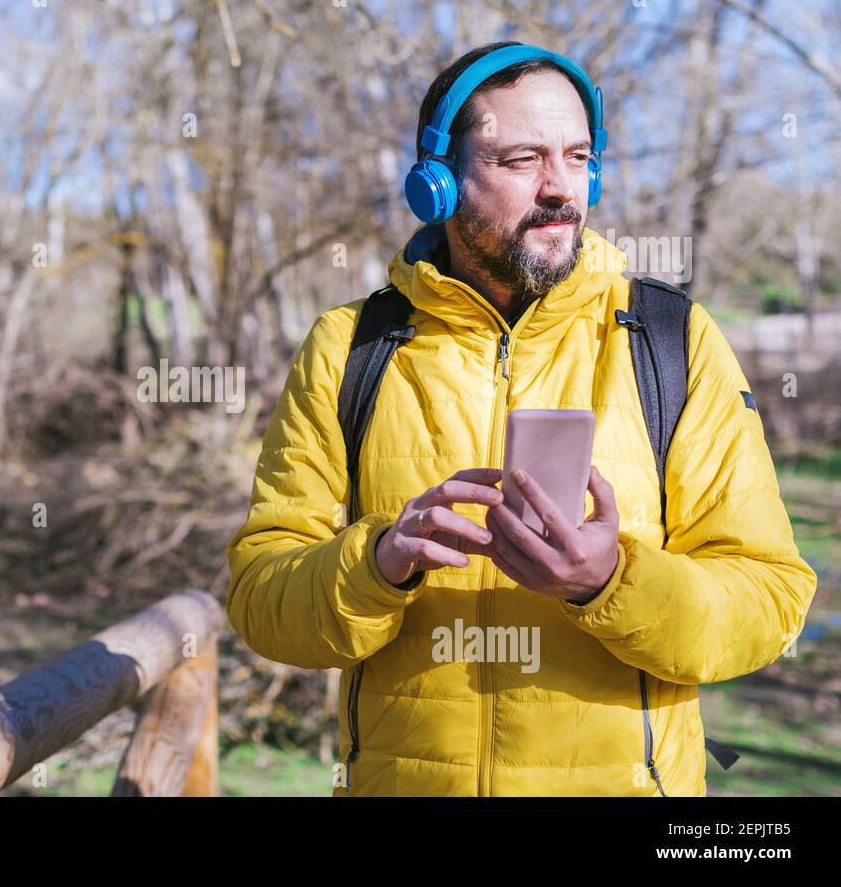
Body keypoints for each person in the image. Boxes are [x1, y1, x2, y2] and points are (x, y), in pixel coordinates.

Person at [224, 41, 818, 796]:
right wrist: (377, 563)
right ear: (435, 184)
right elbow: (260, 599)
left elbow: (769, 599)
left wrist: (610, 581)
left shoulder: (672, 339)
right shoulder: (350, 347)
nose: (560, 188)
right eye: (521, 160)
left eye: (577, 157)